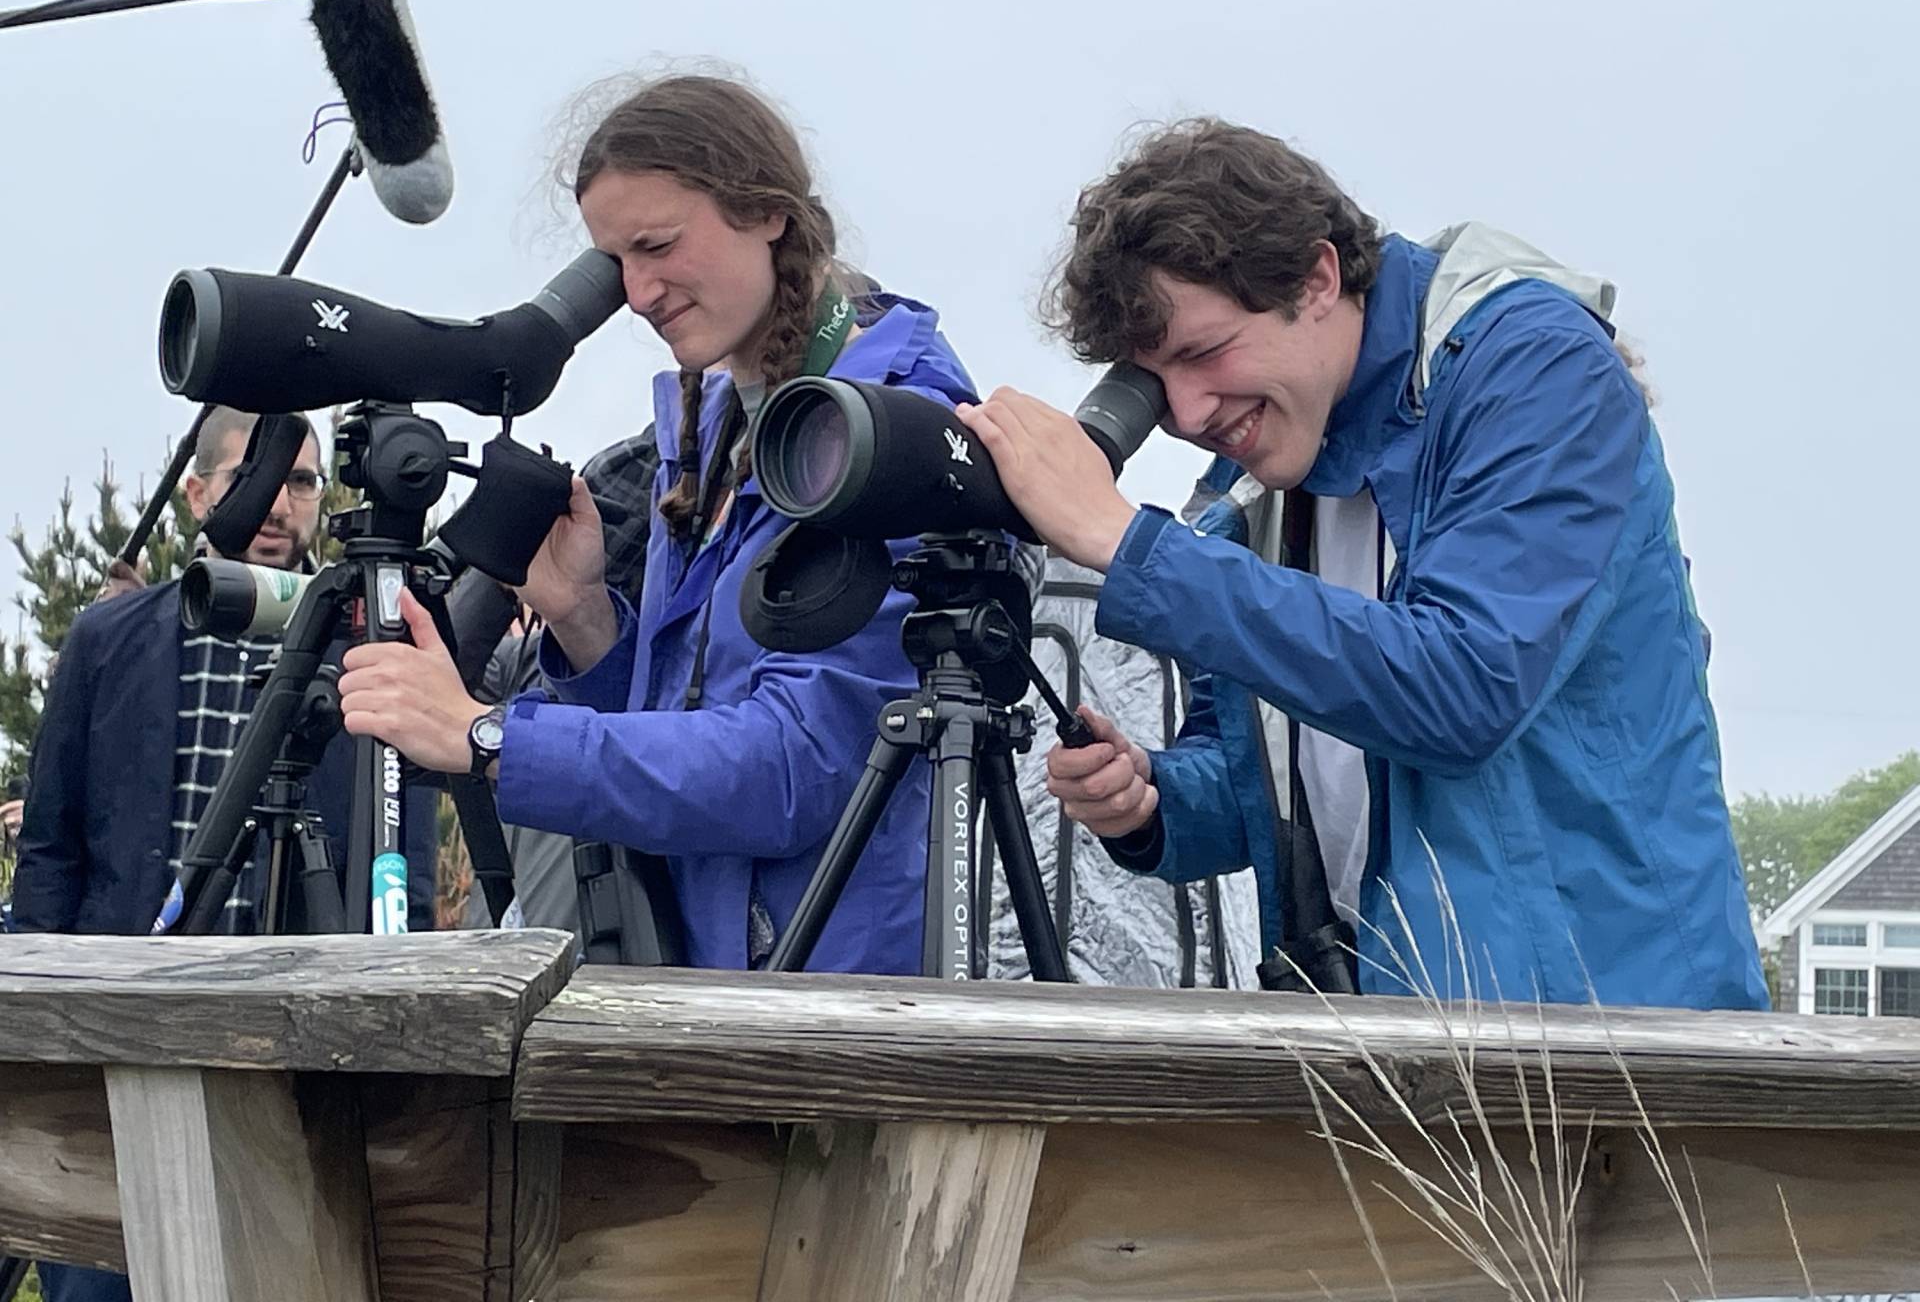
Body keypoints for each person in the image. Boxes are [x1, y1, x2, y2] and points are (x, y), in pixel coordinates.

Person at [959, 119, 1767, 1011]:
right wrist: (1153, 802)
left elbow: (1462, 690)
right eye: (1154, 383)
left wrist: (1124, 541)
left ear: (1317, 278)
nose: (1187, 414)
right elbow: (1282, 782)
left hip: (1611, 1030)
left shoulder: (1538, 371)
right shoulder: (1265, 471)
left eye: (1203, 353)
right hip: (1387, 1030)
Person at [339, 73, 980, 974]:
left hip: (842, 1005)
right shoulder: (713, 425)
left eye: (657, 246)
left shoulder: (897, 428)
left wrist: (490, 737)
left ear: (768, 212)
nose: (638, 294)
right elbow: (684, 742)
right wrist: (586, 620)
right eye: (615, 265)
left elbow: (793, 769)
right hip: (709, 981)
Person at [12, 406, 436, 1302]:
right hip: (118, 1059)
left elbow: (409, 876)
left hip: (299, 1069)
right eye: (254, 476)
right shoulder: (108, 642)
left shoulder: (376, 656)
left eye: (302, 480)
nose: (279, 501)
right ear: (198, 493)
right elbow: (50, 857)